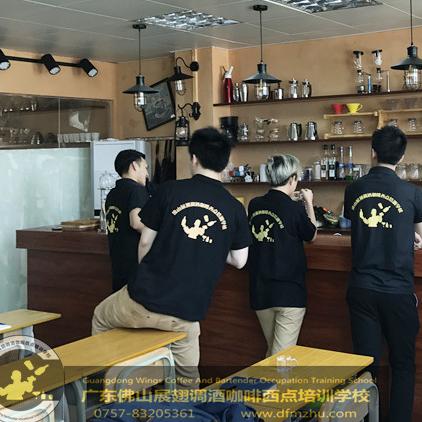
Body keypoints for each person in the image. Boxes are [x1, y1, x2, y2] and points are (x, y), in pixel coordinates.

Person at [92, 127, 251, 389]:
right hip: (187, 314)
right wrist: (207, 245)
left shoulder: (169, 190)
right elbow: (240, 260)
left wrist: (147, 276)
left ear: (194, 158)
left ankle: (113, 387)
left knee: (100, 316)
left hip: (143, 300)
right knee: (188, 382)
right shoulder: (235, 207)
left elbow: (145, 241)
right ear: (225, 164)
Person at [344, 126, 422, 422]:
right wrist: (412, 239)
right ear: (402, 157)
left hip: (361, 289)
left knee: (365, 368)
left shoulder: (354, 189)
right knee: (403, 365)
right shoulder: (412, 192)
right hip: (398, 291)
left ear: (372, 152)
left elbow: (355, 225)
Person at [247, 154, 318, 357]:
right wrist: (308, 203)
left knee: (274, 354)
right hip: (289, 293)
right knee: (280, 360)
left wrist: (291, 200)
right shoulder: (294, 209)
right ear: (292, 179)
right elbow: (311, 235)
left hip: (261, 292)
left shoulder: (254, 204)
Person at [104, 149, 150, 292]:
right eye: (145, 168)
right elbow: (136, 222)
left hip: (118, 264)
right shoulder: (136, 190)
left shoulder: (112, 193)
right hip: (134, 263)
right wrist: (159, 233)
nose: (147, 174)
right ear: (134, 166)